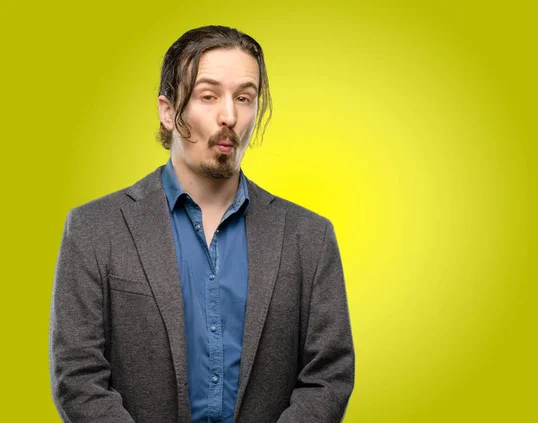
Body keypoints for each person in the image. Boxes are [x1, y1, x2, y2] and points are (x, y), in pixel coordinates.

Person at [50, 25, 354, 423]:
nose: (229, 116)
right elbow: (78, 376)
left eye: (244, 98)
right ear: (167, 110)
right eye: (208, 95)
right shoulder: (94, 228)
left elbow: (328, 376)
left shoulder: (310, 237)